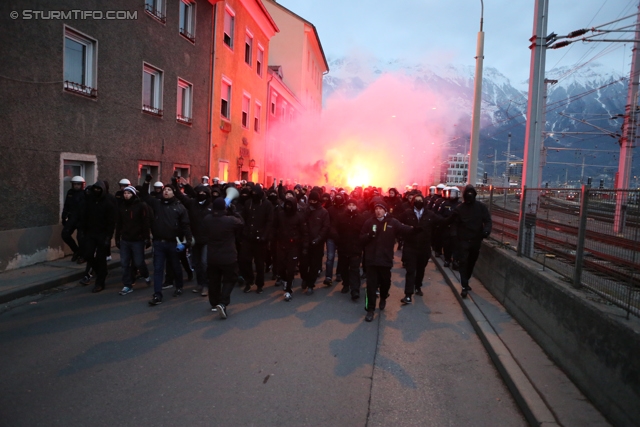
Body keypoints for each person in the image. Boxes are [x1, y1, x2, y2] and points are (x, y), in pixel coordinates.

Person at [360, 200, 417, 322]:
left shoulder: (392, 222)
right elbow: (361, 238)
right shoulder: (369, 222)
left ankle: (384, 297)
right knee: (371, 286)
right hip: (371, 260)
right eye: (376, 209)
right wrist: (369, 235)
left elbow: (404, 229)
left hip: (385, 260)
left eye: (380, 209)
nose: (378, 211)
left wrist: (416, 229)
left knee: (385, 283)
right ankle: (370, 310)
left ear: (385, 210)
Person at [142, 175, 193, 305]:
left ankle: (179, 286)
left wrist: (187, 242)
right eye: (165, 189)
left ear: (173, 192)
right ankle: (157, 294)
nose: (166, 191)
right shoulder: (157, 203)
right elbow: (144, 196)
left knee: (176, 266)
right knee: (158, 269)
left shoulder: (179, 207)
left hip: (173, 243)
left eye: (169, 190)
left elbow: (185, 225)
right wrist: (147, 182)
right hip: (159, 243)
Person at [446, 185, 492, 297]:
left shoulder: (481, 207)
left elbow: (488, 221)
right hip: (463, 241)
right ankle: (464, 285)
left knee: (471, 262)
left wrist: (486, 231)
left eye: (471, 193)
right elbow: (453, 224)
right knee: (463, 262)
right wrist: (454, 237)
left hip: (476, 240)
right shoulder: (459, 209)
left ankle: (466, 280)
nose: (469, 195)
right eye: (468, 193)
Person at [204, 197, 244, 319]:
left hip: (212, 256)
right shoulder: (230, 220)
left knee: (214, 280)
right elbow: (241, 223)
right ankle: (223, 302)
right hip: (228, 256)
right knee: (230, 279)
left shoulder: (207, 219)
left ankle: (214, 302)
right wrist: (234, 211)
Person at [398, 194, 440, 304]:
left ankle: (418, 286)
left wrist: (454, 217)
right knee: (410, 270)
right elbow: (398, 223)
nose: (418, 202)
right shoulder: (407, 213)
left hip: (424, 248)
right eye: (416, 200)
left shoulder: (430, 214)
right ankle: (408, 294)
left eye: (420, 200)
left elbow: (441, 222)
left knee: (420, 269)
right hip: (410, 247)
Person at [174, 177, 212, 296]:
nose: (201, 194)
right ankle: (199, 284)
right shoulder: (192, 203)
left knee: (205, 262)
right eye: (199, 192)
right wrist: (175, 185)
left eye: (204, 193)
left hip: (207, 239)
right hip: (194, 239)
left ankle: (206, 285)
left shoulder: (211, 205)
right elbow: (181, 196)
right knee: (196, 263)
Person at [79, 180, 117, 293]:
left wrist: (108, 237)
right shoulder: (90, 201)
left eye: (98, 189)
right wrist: (82, 231)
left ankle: (100, 282)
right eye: (95, 189)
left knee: (101, 258)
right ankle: (100, 272)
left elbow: (111, 222)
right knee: (88, 255)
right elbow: (84, 216)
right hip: (90, 233)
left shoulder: (108, 202)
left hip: (102, 234)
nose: (96, 191)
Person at [115, 186, 151, 295]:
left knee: (139, 262)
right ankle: (127, 285)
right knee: (124, 263)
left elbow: (146, 223)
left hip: (137, 239)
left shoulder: (141, 206)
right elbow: (119, 223)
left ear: (133, 194)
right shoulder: (121, 206)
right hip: (125, 239)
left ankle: (145, 275)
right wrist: (117, 237)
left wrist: (146, 238)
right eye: (125, 193)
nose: (126, 195)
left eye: (129, 193)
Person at [273, 198, 308, 301]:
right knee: (281, 267)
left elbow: (304, 232)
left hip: (294, 246)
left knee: (291, 268)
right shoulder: (280, 214)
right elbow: (274, 227)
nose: (288, 207)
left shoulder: (299, 217)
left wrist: (305, 246)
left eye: (290, 205)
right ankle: (284, 280)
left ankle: (288, 290)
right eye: (286, 205)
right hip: (281, 245)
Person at [240, 185, 273, 294]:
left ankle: (260, 284)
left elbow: (269, 222)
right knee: (245, 260)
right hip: (248, 237)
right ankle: (249, 281)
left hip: (260, 239)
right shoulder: (248, 203)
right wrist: (244, 231)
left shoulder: (267, 205)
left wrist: (264, 236)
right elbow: (243, 218)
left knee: (259, 263)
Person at [299, 191, 330, 294]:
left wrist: (319, 238)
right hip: (305, 242)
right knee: (303, 264)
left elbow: (325, 227)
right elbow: (301, 223)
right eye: (311, 200)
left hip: (317, 243)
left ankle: (311, 284)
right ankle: (304, 278)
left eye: (314, 201)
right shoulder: (305, 210)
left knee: (314, 265)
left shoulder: (324, 212)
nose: (312, 202)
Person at [335, 199, 366, 299]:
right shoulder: (340, 217)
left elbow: (363, 232)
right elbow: (335, 229)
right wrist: (338, 239)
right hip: (343, 248)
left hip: (355, 248)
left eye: (353, 205)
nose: (351, 207)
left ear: (356, 206)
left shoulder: (361, 218)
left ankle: (355, 290)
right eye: (350, 205)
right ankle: (346, 284)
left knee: (354, 269)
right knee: (344, 268)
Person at [61, 175, 86, 262]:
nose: (76, 186)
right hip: (72, 218)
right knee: (65, 234)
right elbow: (66, 205)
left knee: (81, 238)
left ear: (82, 185)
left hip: (82, 219)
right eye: (74, 184)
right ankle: (76, 251)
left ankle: (83, 255)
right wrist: (64, 216)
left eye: (78, 184)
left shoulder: (85, 194)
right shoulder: (70, 192)